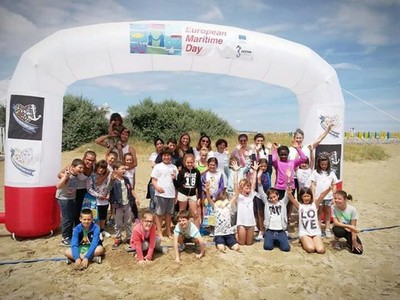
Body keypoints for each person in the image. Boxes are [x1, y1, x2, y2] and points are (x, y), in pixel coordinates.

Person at [287, 186, 333, 254]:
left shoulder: (314, 205)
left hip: (315, 232)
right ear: (301, 197)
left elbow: (322, 195)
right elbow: (292, 199)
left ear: (311, 196)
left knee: (321, 250)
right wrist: (289, 193)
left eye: (308, 196)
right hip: (304, 233)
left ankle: (312, 241)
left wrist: (329, 188)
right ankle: (302, 240)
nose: (306, 198)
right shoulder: (300, 206)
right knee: (310, 249)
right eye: (304, 196)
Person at [58, 150, 97, 227]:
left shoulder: (93, 166)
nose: (90, 162)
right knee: (73, 212)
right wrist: (67, 177)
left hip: (85, 191)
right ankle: (72, 229)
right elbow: (59, 174)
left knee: (82, 211)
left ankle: (80, 227)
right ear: (84, 158)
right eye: (88, 160)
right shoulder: (77, 165)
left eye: (92, 160)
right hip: (74, 191)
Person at [109, 162, 140, 249]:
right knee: (118, 223)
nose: (124, 170)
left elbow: (131, 189)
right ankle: (118, 238)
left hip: (127, 204)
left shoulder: (126, 179)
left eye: (125, 169)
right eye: (122, 169)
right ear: (116, 170)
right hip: (117, 205)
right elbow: (108, 189)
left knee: (128, 222)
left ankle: (129, 237)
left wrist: (136, 198)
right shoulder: (113, 180)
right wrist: (111, 181)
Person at [151, 147, 178, 240]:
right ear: (162, 156)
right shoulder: (157, 166)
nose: (167, 157)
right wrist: (157, 188)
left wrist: (176, 195)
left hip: (171, 194)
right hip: (160, 194)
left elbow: (176, 183)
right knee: (159, 214)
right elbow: (153, 180)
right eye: (165, 155)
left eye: (168, 155)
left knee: (169, 214)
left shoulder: (174, 167)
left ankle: (168, 231)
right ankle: (159, 232)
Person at [56, 158, 84, 246]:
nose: (82, 170)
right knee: (67, 219)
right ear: (73, 167)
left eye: (82, 168)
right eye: (80, 168)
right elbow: (58, 186)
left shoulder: (76, 175)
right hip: (64, 199)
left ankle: (69, 235)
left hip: (71, 198)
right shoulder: (67, 175)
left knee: (71, 217)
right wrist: (65, 176)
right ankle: (65, 238)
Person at [310, 155, 338, 238]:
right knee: (319, 213)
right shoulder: (315, 172)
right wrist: (313, 196)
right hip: (319, 197)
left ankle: (327, 229)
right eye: (322, 164)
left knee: (327, 213)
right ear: (319, 164)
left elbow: (334, 185)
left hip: (328, 197)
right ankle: (318, 229)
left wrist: (334, 196)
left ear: (328, 164)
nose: (324, 166)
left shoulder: (331, 173)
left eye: (325, 164)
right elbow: (312, 184)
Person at [205, 184, 239, 252]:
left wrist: (237, 186)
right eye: (221, 200)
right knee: (221, 248)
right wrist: (208, 190)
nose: (222, 202)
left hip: (229, 233)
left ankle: (226, 242)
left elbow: (236, 195)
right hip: (219, 234)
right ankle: (218, 241)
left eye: (224, 200)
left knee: (236, 247)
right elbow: (209, 198)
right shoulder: (215, 206)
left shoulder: (228, 206)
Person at [257, 185, 291, 252]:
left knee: (286, 248)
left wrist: (288, 180)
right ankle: (272, 239)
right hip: (270, 230)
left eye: (274, 197)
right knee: (267, 247)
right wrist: (259, 181)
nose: (273, 199)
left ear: (278, 195)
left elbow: (287, 194)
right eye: (271, 198)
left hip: (281, 230)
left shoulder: (283, 203)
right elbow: (261, 193)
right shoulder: (267, 203)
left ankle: (279, 239)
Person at [231, 161, 257, 246]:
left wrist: (255, 171)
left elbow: (253, 182)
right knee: (241, 243)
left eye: (249, 188)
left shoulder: (251, 195)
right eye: (246, 188)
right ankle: (235, 233)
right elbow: (235, 184)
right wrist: (235, 171)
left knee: (249, 243)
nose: (248, 190)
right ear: (241, 189)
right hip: (241, 223)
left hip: (251, 222)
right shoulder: (238, 197)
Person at [86, 159, 112, 238]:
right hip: (95, 200)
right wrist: (98, 195)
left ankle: (102, 229)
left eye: (103, 168)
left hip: (105, 200)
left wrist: (108, 194)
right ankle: (97, 231)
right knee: (97, 216)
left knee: (103, 215)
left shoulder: (106, 177)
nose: (101, 170)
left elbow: (108, 186)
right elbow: (89, 189)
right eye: (100, 168)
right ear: (97, 167)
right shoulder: (92, 177)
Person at [331, 190, 363, 255]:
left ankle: (349, 242)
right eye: (335, 198)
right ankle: (337, 241)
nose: (337, 200)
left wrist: (354, 241)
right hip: (341, 228)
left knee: (358, 251)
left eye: (339, 199)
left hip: (350, 231)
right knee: (336, 229)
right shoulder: (333, 207)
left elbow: (353, 226)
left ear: (345, 199)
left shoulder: (352, 210)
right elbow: (336, 222)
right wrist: (348, 226)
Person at [176, 154, 202, 228]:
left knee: (195, 213)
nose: (189, 164)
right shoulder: (182, 172)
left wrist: (199, 197)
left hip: (192, 195)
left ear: (194, 162)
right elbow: (178, 184)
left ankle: (197, 232)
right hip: (183, 194)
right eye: (188, 162)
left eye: (191, 162)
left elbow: (199, 185)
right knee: (182, 212)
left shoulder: (197, 172)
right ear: (185, 162)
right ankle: (180, 230)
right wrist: (174, 179)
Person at [201, 157, 225, 232]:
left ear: (216, 165)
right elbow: (202, 185)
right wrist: (206, 191)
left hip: (216, 198)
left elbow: (221, 186)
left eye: (214, 165)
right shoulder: (205, 175)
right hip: (207, 197)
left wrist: (216, 195)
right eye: (210, 165)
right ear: (208, 165)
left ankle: (215, 228)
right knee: (208, 212)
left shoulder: (220, 174)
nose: (212, 166)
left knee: (215, 213)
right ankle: (208, 229)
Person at [254, 158, 272, 241]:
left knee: (268, 213)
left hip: (268, 196)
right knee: (260, 213)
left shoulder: (269, 172)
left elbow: (271, 163)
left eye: (265, 166)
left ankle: (268, 230)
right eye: (261, 166)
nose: (263, 168)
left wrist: (270, 153)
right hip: (258, 196)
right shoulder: (257, 173)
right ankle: (261, 231)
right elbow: (254, 163)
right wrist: (256, 152)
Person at [146, 138, 164, 212]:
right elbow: (153, 165)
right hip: (155, 178)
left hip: (164, 178)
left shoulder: (167, 154)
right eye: (157, 144)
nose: (159, 145)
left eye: (160, 143)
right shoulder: (154, 155)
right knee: (153, 199)